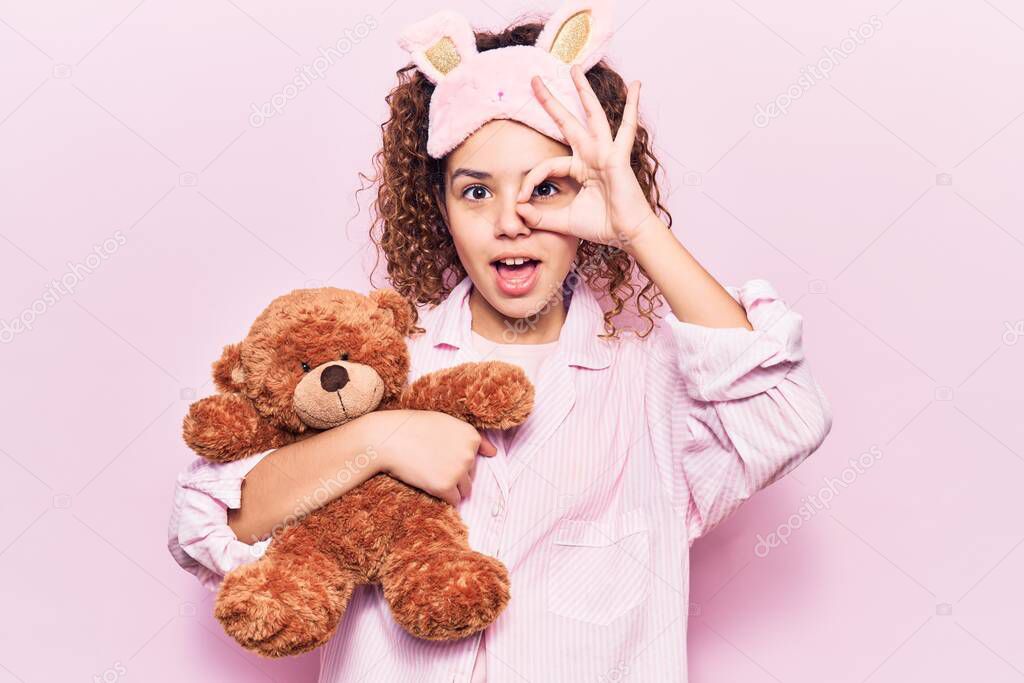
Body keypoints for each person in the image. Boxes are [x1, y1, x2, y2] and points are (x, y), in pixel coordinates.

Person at [167, 1, 832, 680]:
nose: (512, 220)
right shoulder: (377, 365)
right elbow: (206, 522)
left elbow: (787, 416)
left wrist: (639, 227)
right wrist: (379, 438)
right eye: (477, 191)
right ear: (440, 207)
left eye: (547, 186)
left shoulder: (651, 375)